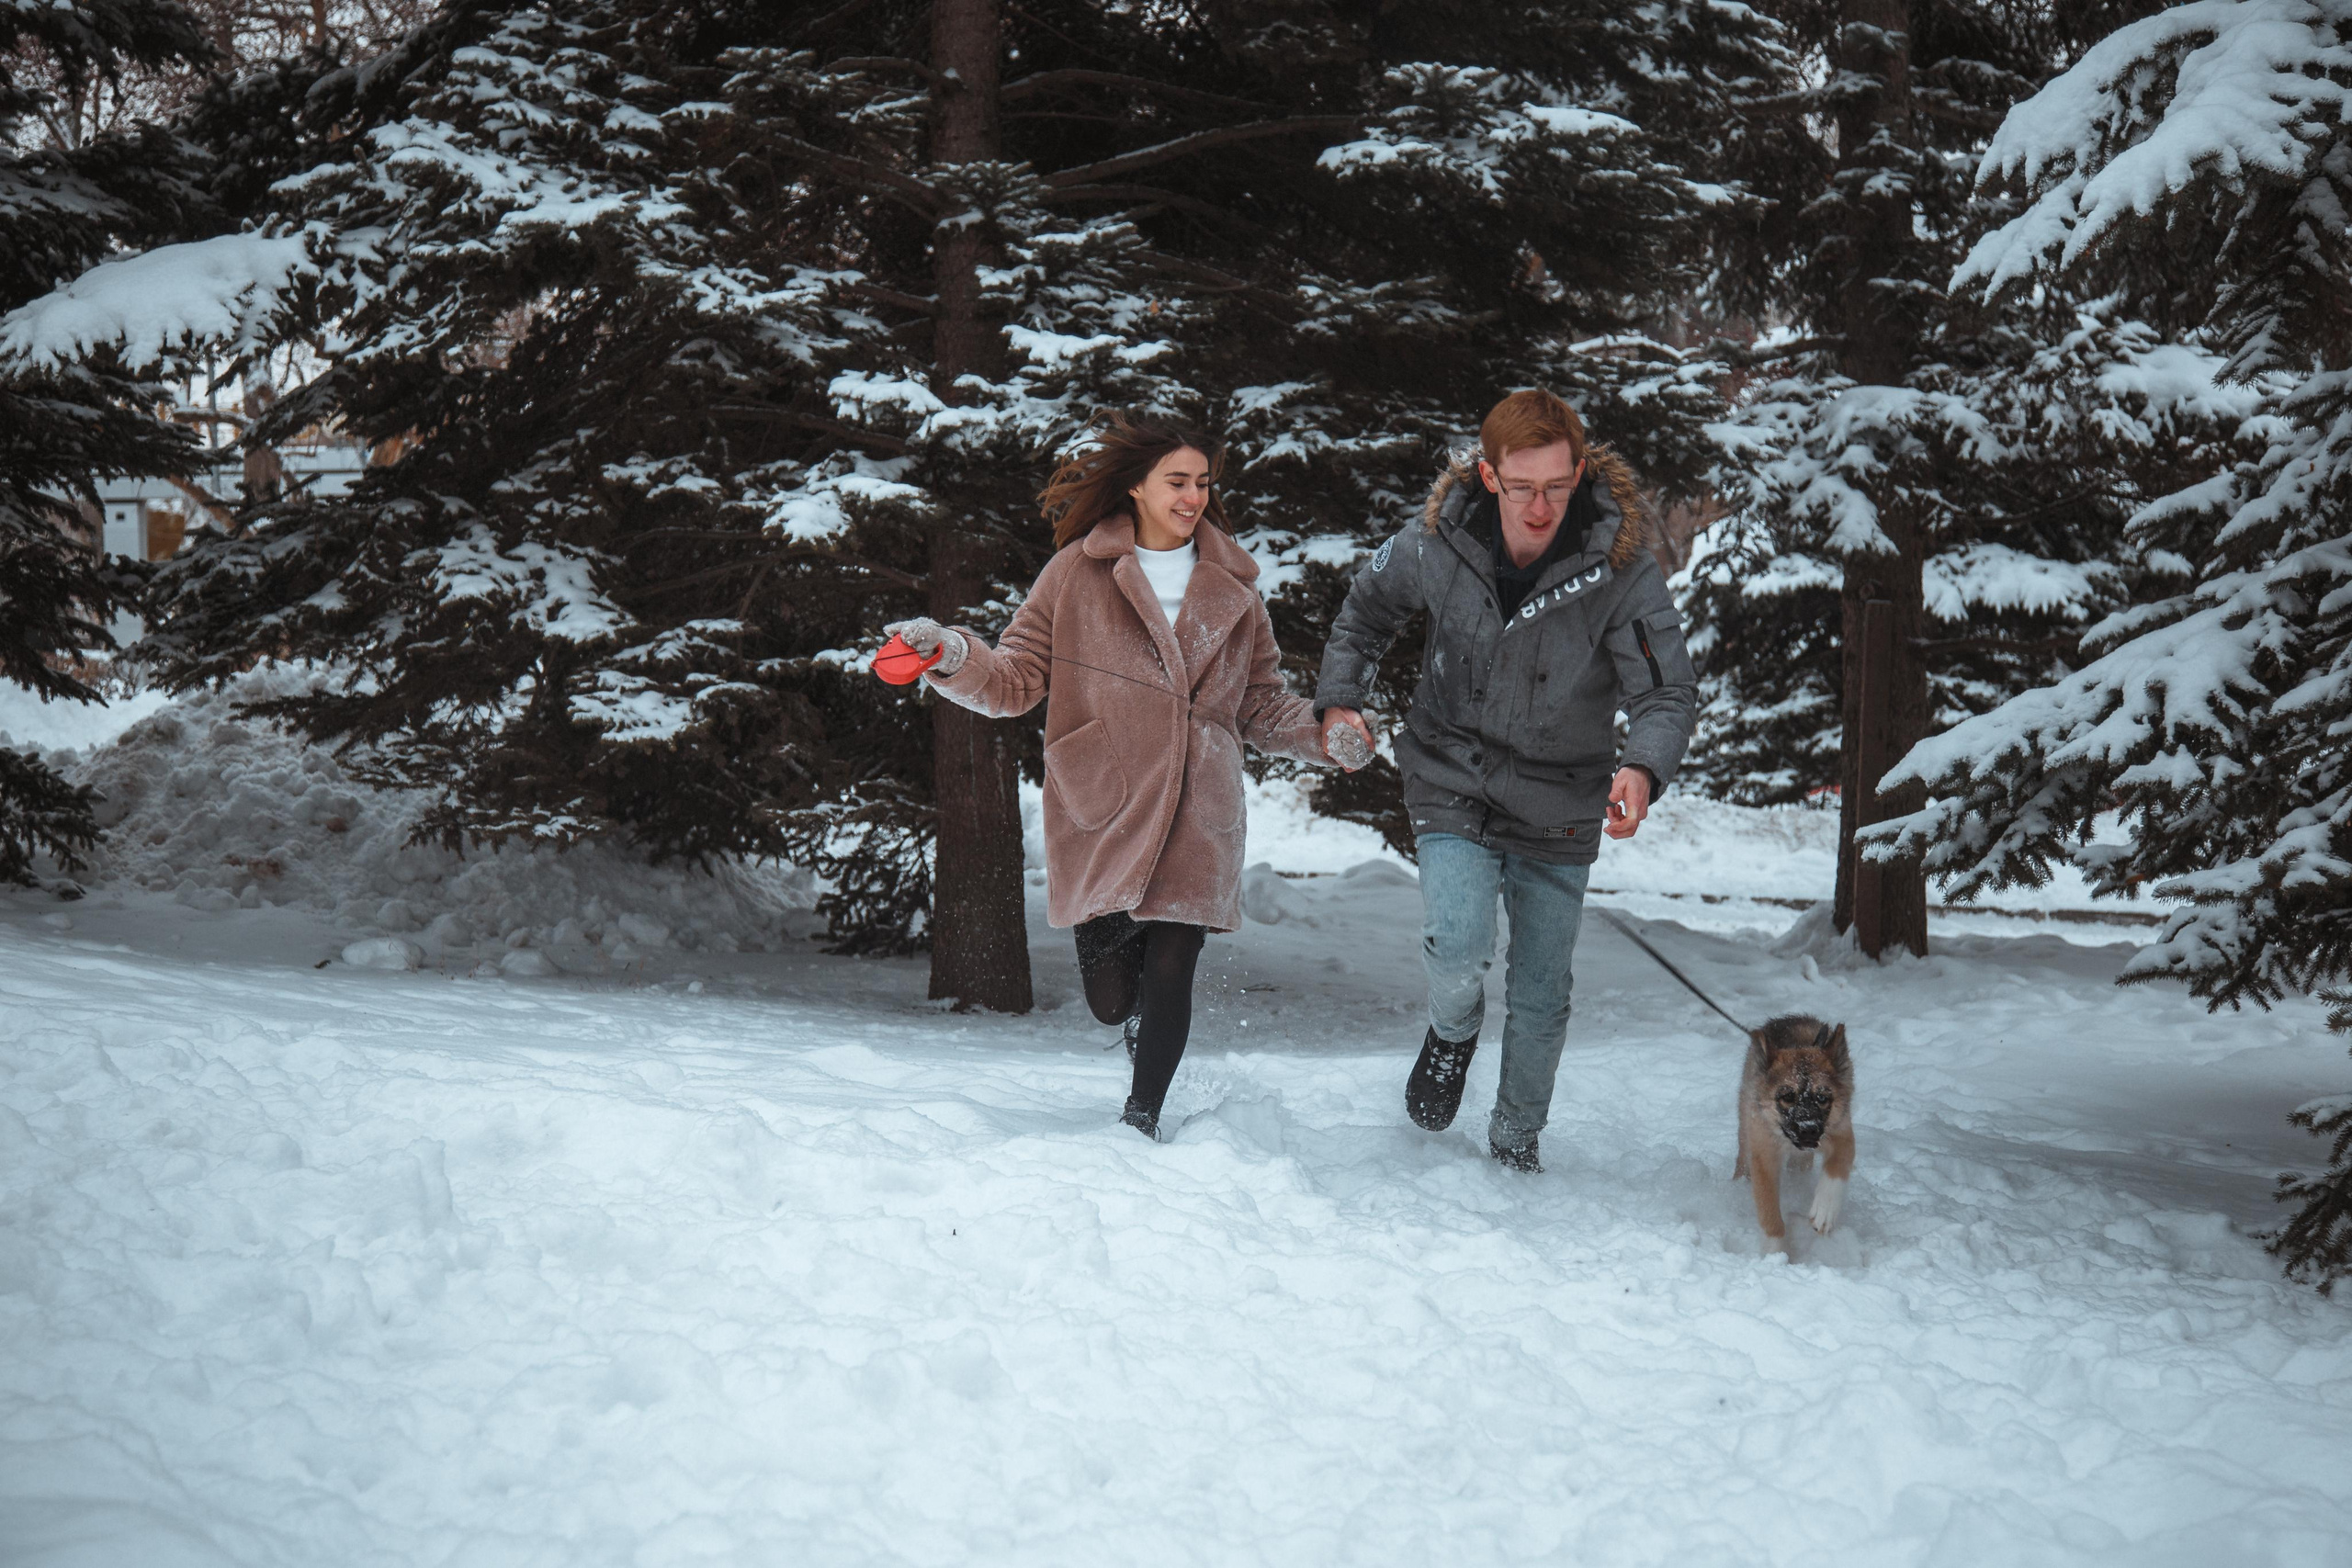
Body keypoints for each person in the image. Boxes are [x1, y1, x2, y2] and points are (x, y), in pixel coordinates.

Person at [880, 413, 1360, 1140]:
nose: (1194, 495)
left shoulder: (1236, 588)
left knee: (1174, 957)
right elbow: (1015, 678)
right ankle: (1141, 1043)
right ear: (1136, 486)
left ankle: (1141, 1118)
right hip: (1102, 806)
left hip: (1201, 810)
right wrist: (950, 652)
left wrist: (1328, 733)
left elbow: (1260, 703)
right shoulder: (1075, 572)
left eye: (1202, 482)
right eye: (1177, 481)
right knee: (1112, 998)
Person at [1314, 389, 1697, 1172]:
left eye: (1557, 486)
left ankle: (1516, 1141)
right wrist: (1341, 700)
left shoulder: (1621, 566)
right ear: (1489, 477)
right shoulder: (1436, 542)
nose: (1539, 505)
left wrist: (1642, 766)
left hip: (1562, 794)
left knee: (1542, 990)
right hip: (1452, 770)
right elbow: (1363, 613)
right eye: (1521, 487)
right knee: (1457, 947)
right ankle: (1452, 1031)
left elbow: (1663, 691)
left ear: (1580, 472)